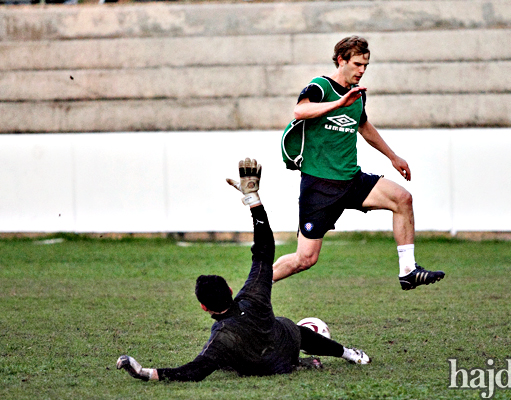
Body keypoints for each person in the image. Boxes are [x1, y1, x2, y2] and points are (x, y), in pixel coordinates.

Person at [116, 158, 370, 382]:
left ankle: (303, 361)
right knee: (289, 327)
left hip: (265, 368)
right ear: (229, 289)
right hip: (285, 351)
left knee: (222, 358)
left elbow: (194, 371)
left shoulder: (221, 337)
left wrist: (143, 371)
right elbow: (264, 246)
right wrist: (253, 200)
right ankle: (348, 354)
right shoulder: (253, 294)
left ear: (204, 307)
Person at [278, 36, 445, 290]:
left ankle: (408, 271)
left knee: (402, 198)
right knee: (305, 259)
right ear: (341, 60)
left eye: (366, 65)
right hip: (319, 186)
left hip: (351, 180)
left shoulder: (358, 95)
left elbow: (363, 126)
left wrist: (393, 156)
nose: (362, 70)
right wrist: (339, 103)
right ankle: (254, 288)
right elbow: (300, 111)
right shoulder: (321, 87)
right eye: (357, 64)